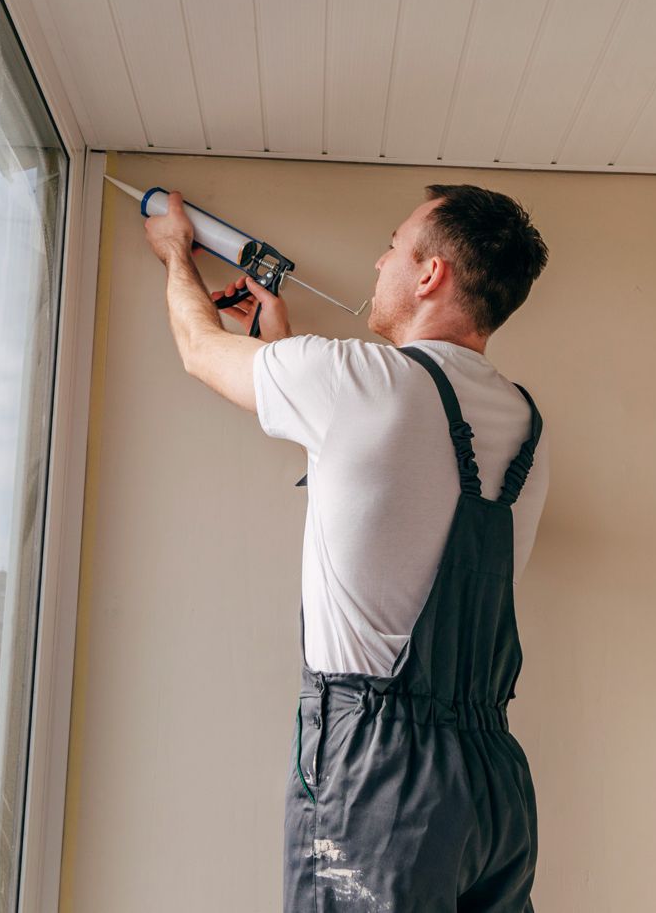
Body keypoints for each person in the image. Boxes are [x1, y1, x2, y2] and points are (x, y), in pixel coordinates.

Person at [145, 182, 550, 911]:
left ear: (430, 275)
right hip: (495, 784)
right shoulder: (526, 424)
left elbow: (201, 351)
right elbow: (386, 486)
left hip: (381, 777)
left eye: (392, 247)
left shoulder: (355, 382)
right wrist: (283, 344)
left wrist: (175, 250)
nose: (376, 262)